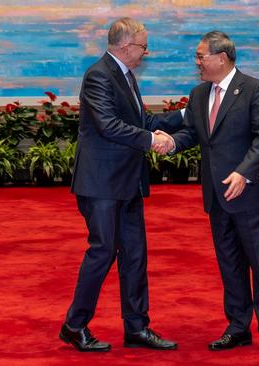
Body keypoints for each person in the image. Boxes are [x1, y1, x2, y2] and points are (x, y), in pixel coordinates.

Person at [154, 31, 259, 357]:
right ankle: (238, 327)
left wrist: (244, 172)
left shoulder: (253, 89)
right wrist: (171, 143)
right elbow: (193, 134)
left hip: (251, 193)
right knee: (229, 263)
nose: (196, 62)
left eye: (201, 56)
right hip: (216, 194)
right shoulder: (199, 94)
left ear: (221, 58)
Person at [60, 17, 182, 352]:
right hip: (101, 183)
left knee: (135, 255)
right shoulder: (99, 75)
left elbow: (144, 121)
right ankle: (74, 325)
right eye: (143, 46)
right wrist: (150, 140)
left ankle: (137, 327)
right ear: (126, 46)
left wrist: (188, 116)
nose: (146, 53)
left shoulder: (125, 76)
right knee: (102, 252)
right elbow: (108, 126)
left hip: (127, 182)